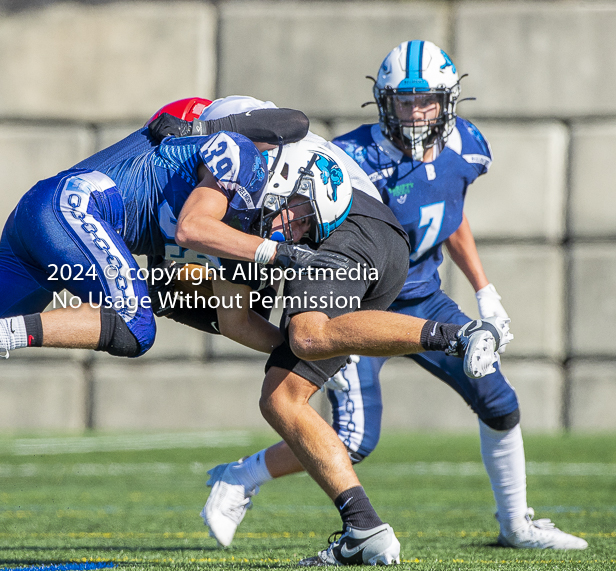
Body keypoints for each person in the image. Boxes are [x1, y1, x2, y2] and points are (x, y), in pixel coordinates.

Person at [0, 103, 342, 562]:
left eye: (303, 231)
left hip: (39, 222)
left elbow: (231, 318)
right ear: (285, 177)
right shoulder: (243, 158)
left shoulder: (241, 213)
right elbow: (191, 228)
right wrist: (280, 252)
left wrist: (298, 354)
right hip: (73, 210)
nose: (290, 229)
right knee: (136, 325)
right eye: (298, 217)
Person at [200, 42, 588, 557]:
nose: (415, 112)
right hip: (353, 300)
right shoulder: (353, 155)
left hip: (423, 294)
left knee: (499, 399)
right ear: (383, 102)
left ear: (448, 101)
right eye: (403, 101)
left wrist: (484, 288)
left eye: (426, 100)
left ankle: (516, 524)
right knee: (356, 438)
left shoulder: (467, 147)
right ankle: (242, 477)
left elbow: (450, 213)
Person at [156, 95, 512, 566]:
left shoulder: (232, 140)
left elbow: (196, 226)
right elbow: (236, 319)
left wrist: (270, 255)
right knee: (281, 398)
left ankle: (458, 335)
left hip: (347, 226)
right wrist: (331, 351)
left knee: (306, 334)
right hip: (357, 243)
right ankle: (364, 528)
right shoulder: (242, 190)